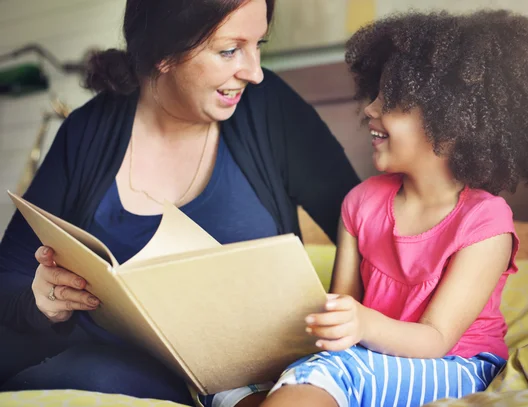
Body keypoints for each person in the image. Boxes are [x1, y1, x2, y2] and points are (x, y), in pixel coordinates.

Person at [0, 0, 360, 406]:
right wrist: (41, 303)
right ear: (164, 52)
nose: (254, 72)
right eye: (229, 50)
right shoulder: (87, 131)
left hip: (252, 383)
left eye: (259, 43)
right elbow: (9, 274)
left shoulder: (270, 109)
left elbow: (369, 234)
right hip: (105, 376)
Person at [261, 9, 528, 407]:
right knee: (254, 385)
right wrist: (330, 325)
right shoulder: (361, 202)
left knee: (326, 374)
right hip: (371, 358)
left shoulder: (485, 222)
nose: (370, 109)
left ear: (451, 125)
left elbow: (436, 338)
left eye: (390, 100)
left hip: (460, 364)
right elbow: (345, 310)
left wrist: (360, 326)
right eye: (375, 94)